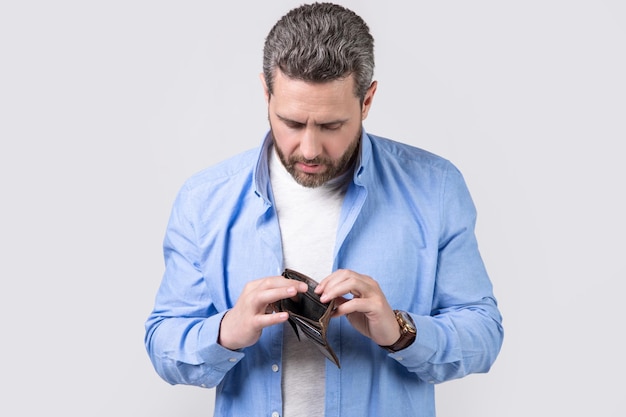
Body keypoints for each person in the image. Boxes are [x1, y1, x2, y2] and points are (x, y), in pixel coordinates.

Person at [144, 2, 504, 416]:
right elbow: (163, 341)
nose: (310, 149)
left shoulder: (435, 187)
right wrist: (226, 332)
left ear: (367, 101)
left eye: (332, 126)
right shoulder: (204, 200)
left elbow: (484, 333)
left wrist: (400, 331)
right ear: (266, 92)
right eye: (292, 123)